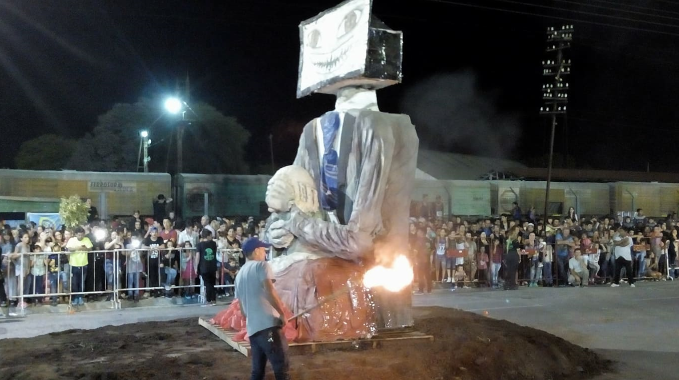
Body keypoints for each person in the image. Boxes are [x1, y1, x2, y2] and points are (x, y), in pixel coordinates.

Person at [235, 237, 289, 380]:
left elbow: (242, 310)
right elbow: (269, 290)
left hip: (253, 330)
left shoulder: (239, 275)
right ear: (256, 251)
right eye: (263, 249)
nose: (265, 253)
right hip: (268, 329)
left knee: (257, 372)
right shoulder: (261, 266)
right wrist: (281, 314)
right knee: (281, 367)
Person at [195, 229, 217, 306]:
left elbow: (197, 257)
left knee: (207, 283)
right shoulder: (214, 244)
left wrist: (196, 267)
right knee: (212, 283)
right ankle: (213, 299)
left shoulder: (199, 245)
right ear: (208, 236)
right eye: (211, 235)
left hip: (204, 267)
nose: (212, 237)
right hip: (213, 266)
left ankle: (209, 300)